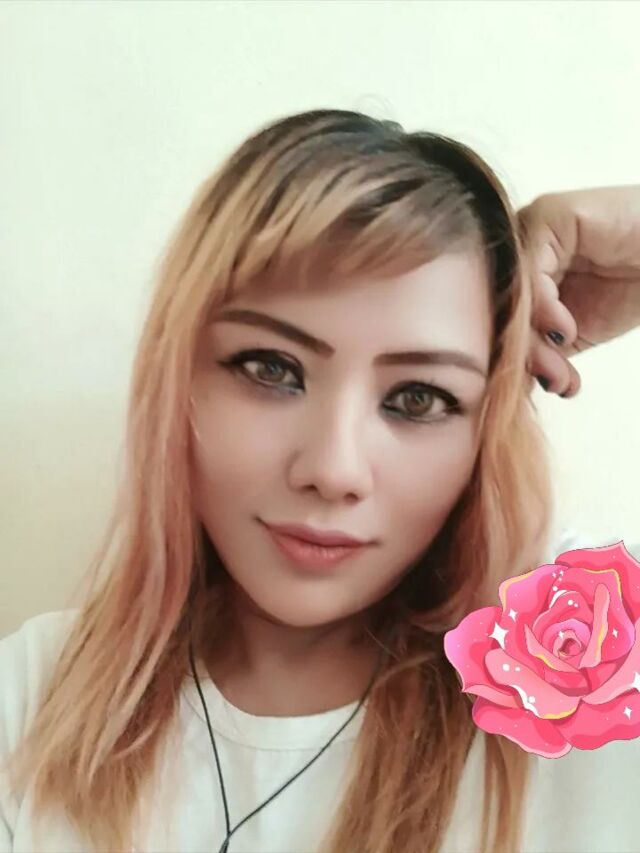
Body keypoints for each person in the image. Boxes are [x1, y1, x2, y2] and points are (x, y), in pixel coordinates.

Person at [1, 109, 638, 853]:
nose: (333, 470)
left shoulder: (602, 675)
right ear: (177, 375)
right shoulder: (33, 699)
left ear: (487, 428)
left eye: (418, 398)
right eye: (270, 368)